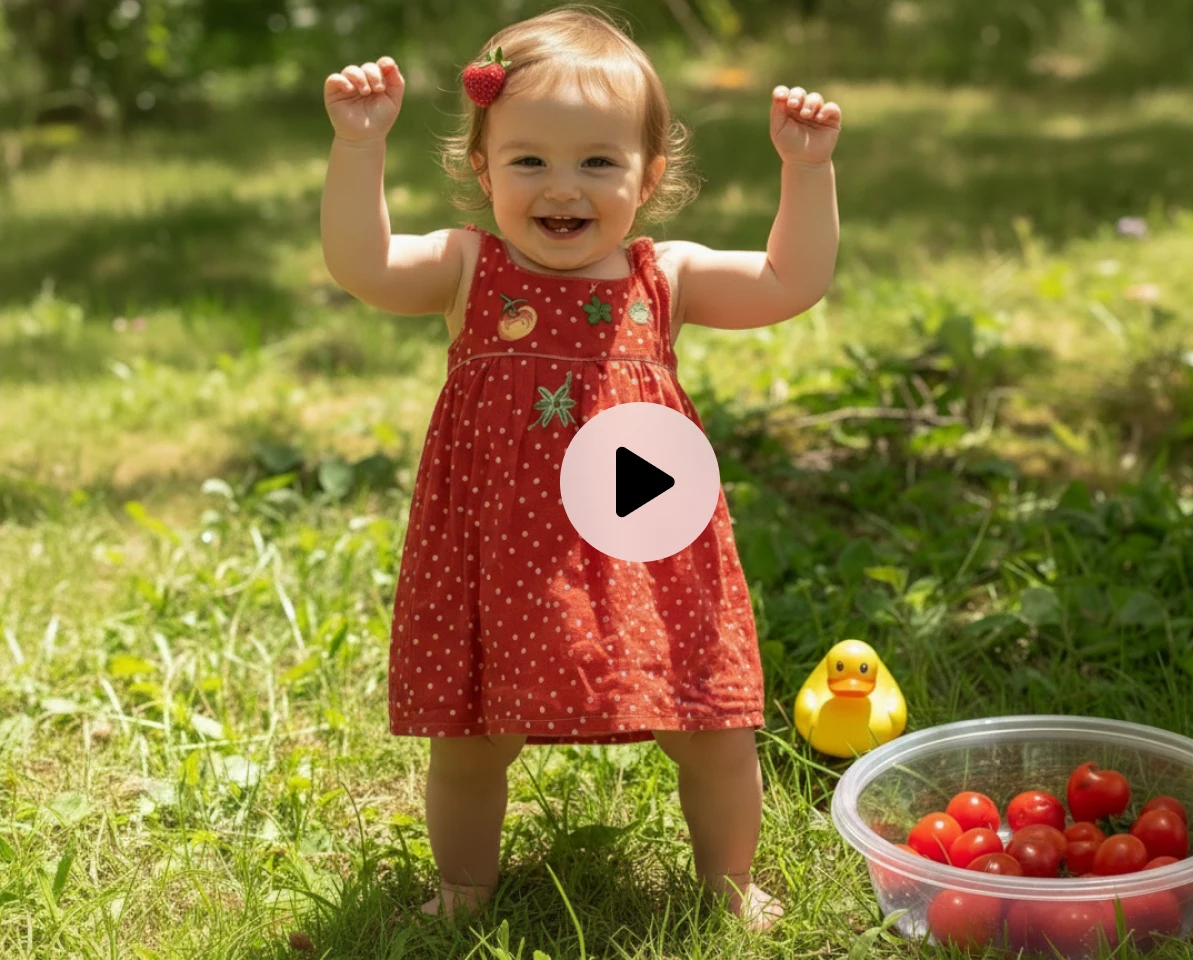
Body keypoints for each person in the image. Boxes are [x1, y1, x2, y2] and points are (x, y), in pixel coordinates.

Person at [320, 3, 839, 934]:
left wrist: (806, 172)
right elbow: (362, 264)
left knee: (712, 726)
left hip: (648, 553)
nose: (565, 186)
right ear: (483, 171)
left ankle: (731, 885)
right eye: (530, 160)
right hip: (503, 552)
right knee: (474, 739)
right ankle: (463, 888)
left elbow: (785, 282)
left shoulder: (662, 276)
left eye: (599, 161)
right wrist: (359, 151)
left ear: (649, 177)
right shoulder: (467, 268)